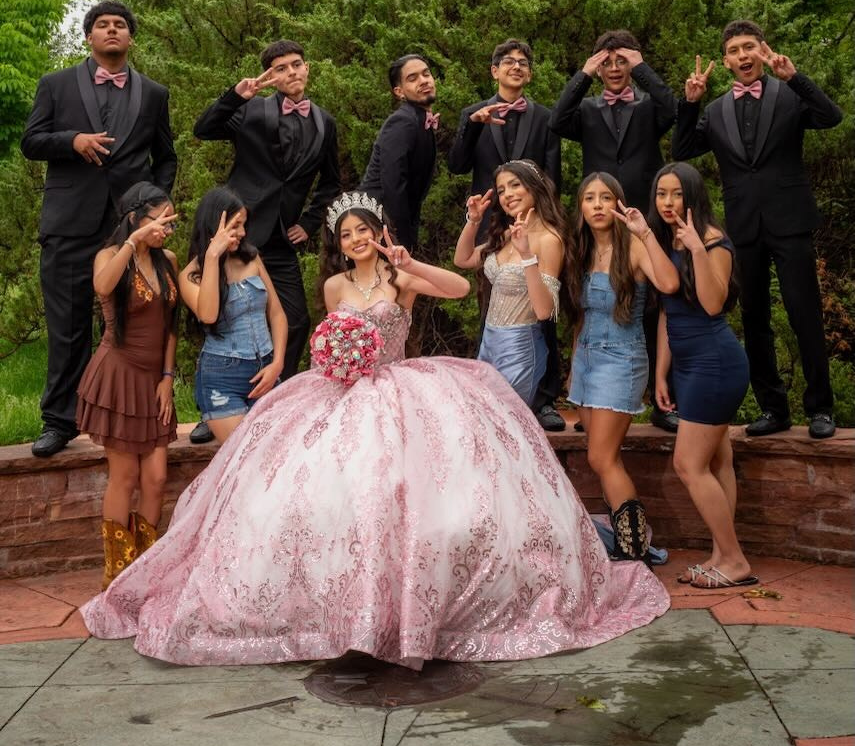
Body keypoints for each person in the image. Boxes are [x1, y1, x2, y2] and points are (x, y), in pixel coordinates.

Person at [81, 192, 669, 667]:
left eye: (364, 230)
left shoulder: (399, 276)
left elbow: (462, 288)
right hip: (339, 397)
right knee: (325, 499)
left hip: (401, 391)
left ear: (378, 233)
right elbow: (326, 345)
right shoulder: (335, 288)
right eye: (347, 235)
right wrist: (336, 361)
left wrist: (410, 265)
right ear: (338, 246)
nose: (357, 240)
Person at [21, 0, 176, 459]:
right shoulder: (56, 84)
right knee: (67, 325)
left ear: (130, 37)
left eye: (120, 25)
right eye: (103, 25)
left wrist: (152, 208)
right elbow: (31, 141)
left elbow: (166, 157)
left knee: (132, 324)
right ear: (89, 36)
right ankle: (59, 420)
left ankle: (128, 417)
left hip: (126, 229)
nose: (112, 30)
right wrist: (72, 140)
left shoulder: (154, 93)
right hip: (69, 223)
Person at [672, 21, 843, 439]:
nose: (743, 55)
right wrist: (690, 104)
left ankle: (821, 408)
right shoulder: (715, 111)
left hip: (790, 221)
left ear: (763, 50)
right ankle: (773, 408)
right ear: (726, 61)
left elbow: (831, 117)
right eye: (734, 50)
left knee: (804, 313)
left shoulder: (788, 94)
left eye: (749, 47)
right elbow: (682, 150)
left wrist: (796, 78)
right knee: (754, 318)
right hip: (743, 226)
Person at [191, 40, 339, 441]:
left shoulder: (325, 123)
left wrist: (308, 222)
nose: (291, 72)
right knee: (220, 316)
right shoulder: (251, 109)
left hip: (280, 239)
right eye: (281, 68)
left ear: (307, 68)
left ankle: (275, 397)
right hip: (238, 233)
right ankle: (212, 408)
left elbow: (330, 183)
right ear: (270, 76)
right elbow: (203, 129)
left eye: (296, 65)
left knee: (296, 318)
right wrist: (236, 96)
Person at [549, 31, 678, 432]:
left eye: (622, 61)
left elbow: (673, 109)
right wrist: (583, 74)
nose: (615, 68)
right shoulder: (587, 109)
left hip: (643, 220)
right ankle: (592, 400)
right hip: (600, 220)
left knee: (653, 307)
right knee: (594, 303)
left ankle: (664, 401)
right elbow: (557, 120)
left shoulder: (648, 106)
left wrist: (642, 68)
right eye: (607, 62)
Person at [448, 38, 564, 431]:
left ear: (529, 73)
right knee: (493, 305)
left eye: (523, 62)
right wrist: (472, 126)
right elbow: (456, 164)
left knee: (543, 309)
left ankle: (544, 398)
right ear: (494, 70)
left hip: (534, 226)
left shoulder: (545, 117)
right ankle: (491, 386)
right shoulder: (472, 114)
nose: (516, 66)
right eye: (508, 61)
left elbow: (552, 175)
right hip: (492, 227)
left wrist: (544, 224)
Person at [650, 163, 756, 590]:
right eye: (661, 194)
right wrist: (661, 373)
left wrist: (696, 247)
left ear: (693, 195)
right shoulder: (666, 239)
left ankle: (734, 560)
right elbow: (668, 312)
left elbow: (713, 305)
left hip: (715, 363)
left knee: (688, 464)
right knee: (716, 460)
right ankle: (720, 555)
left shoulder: (713, 241)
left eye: (676, 194)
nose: (668, 202)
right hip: (689, 363)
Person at [565, 173, 679, 563]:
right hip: (585, 361)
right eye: (589, 198)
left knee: (602, 458)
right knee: (601, 457)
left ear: (618, 203)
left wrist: (645, 232)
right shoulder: (580, 250)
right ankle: (627, 540)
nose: (597, 205)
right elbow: (581, 316)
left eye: (605, 197)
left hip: (621, 360)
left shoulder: (633, 247)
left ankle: (634, 549)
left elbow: (669, 284)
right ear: (581, 207)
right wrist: (573, 366)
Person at [76, 183, 179, 589]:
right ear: (136, 218)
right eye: (161, 221)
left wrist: (168, 378)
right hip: (117, 377)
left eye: (171, 222)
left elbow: (171, 326)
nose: (167, 229)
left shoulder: (168, 260)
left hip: (155, 382)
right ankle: (117, 576)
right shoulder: (109, 256)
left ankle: (144, 572)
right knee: (125, 477)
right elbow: (103, 286)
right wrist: (133, 243)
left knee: (156, 478)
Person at [180, 188, 287, 444]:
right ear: (214, 224)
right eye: (235, 225)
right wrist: (212, 257)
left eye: (243, 225)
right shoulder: (190, 275)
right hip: (221, 376)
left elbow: (277, 314)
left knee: (275, 453)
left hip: (266, 369)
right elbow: (208, 315)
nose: (242, 232)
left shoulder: (252, 259)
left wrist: (277, 363)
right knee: (242, 456)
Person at [454, 161, 564, 408]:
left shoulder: (550, 239)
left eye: (515, 185)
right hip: (489, 343)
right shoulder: (506, 235)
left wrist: (527, 255)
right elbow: (463, 259)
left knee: (507, 419)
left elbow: (544, 311)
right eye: (502, 190)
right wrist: (473, 221)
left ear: (534, 187)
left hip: (520, 348)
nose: (508, 194)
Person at [359, 54, 438, 252]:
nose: (423, 81)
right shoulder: (402, 122)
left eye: (426, 74)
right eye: (412, 78)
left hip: (391, 224)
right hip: (378, 225)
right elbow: (393, 185)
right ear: (399, 92)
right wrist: (402, 240)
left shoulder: (420, 119)